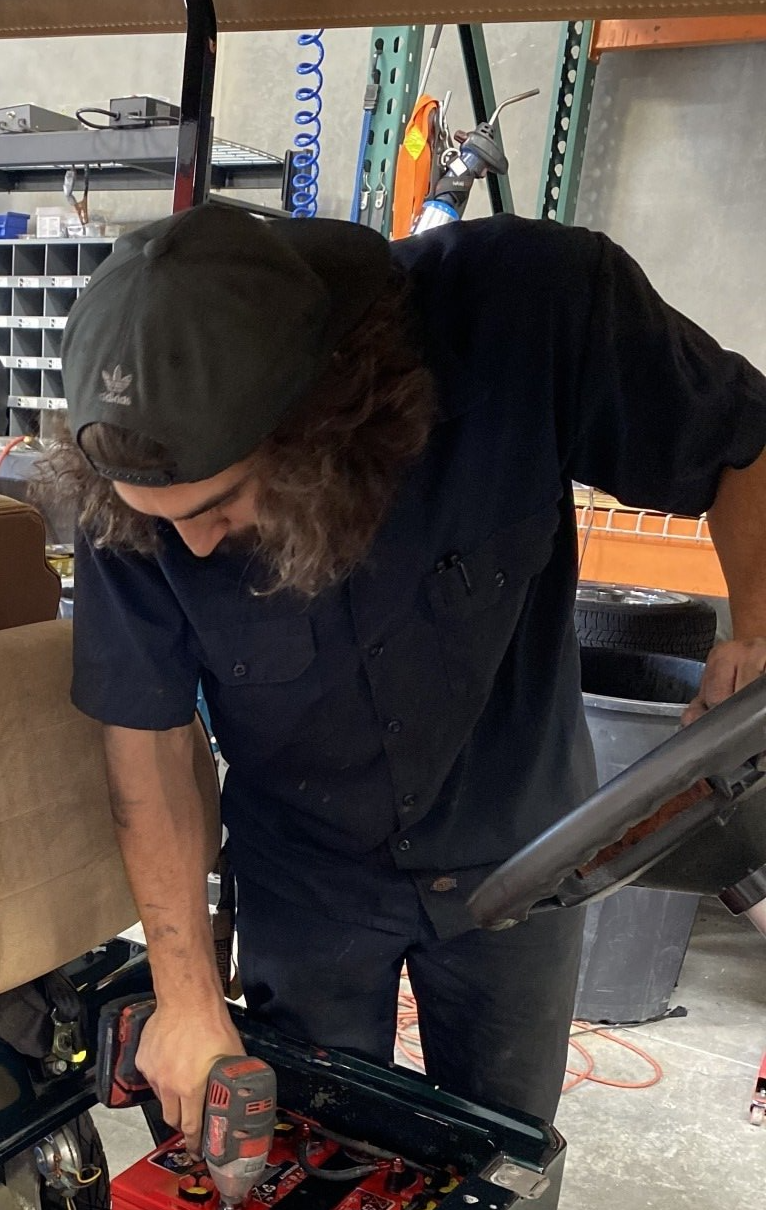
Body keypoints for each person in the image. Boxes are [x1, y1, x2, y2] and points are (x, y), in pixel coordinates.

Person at [54, 204, 766, 1147]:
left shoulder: (533, 311)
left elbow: (743, 442)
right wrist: (186, 998)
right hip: (305, 874)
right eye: (160, 520)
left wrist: (758, 629)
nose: (190, 546)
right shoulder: (136, 495)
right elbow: (144, 744)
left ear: (316, 422)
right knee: (309, 1161)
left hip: (520, 854)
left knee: (501, 1156)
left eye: (220, 505)